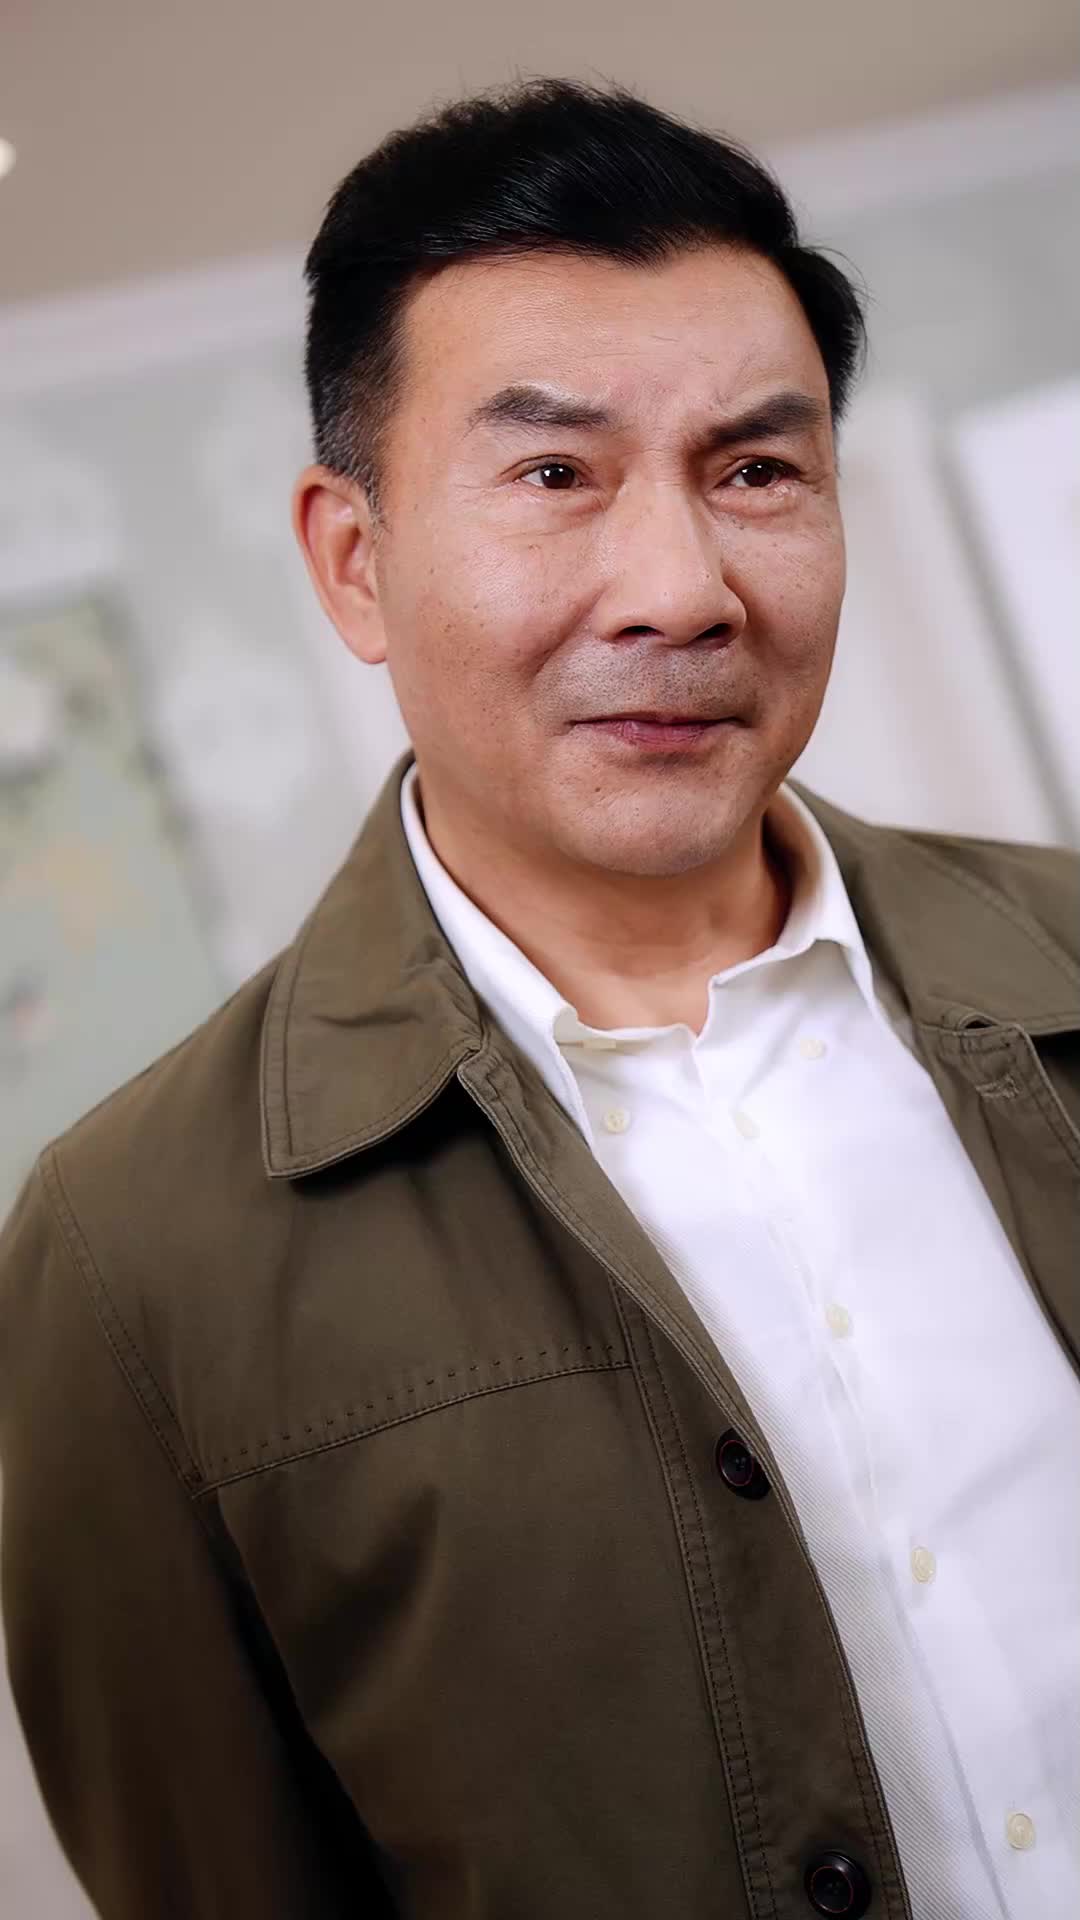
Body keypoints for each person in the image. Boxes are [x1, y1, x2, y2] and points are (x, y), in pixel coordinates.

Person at [1, 76, 1077, 1920]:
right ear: (356, 562)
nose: (679, 589)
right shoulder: (128, 1258)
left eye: (757, 471)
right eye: (556, 475)